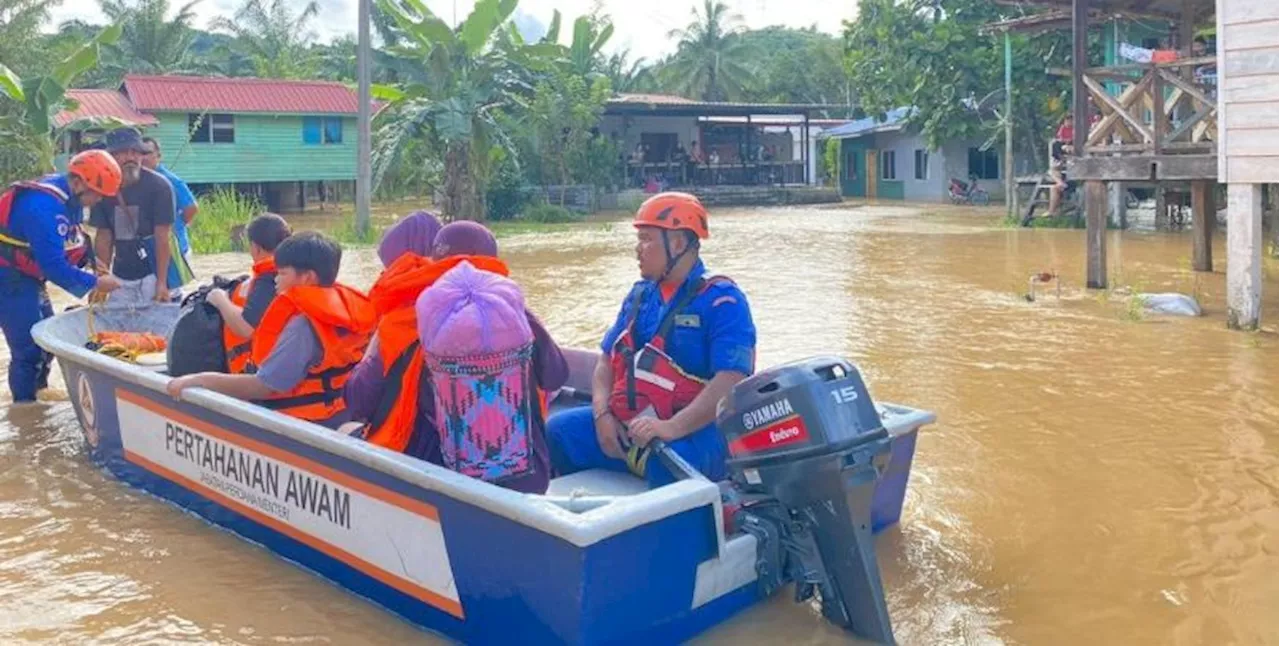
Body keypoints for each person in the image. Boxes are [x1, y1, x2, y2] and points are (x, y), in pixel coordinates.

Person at [546, 192, 756, 488]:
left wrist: (671, 428)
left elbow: (731, 379)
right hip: (636, 421)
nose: (638, 250)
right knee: (557, 431)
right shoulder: (640, 295)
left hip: (696, 430)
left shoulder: (723, 301)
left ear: (679, 244)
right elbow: (607, 359)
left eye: (647, 239)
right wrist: (602, 414)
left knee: (669, 462)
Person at [345, 222, 568, 492]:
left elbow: (359, 400)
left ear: (433, 260)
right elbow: (558, 375)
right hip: (527, 476)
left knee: (347, 429)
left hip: (436, 478)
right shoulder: (515, 313)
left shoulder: (400, 319)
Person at [167, 231, 376, 429]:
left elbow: (264, 386)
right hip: (341, 413)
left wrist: (199, 380)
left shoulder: (303, 327)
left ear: (307, 278)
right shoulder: (348, 313)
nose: (275, 279)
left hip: (306, 426)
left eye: (282, 273)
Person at [0, 151, 124, 402]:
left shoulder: (66, 196)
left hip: (26, 275)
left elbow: (71, 239)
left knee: (45, 343)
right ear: (78, 182)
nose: (98, 200)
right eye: (95, 193)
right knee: (27, 351)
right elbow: (54, 267)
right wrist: (96, 283)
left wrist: (94, 264)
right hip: (9, 278)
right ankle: (25, 412)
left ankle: (39, 398)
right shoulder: (43, 208)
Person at [91, 128, 177, 305]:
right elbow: (103, 238)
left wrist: (162, 282)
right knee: (113, 326)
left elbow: (163, 237)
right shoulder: (102, 188)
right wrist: (100, 279)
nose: (130, 157)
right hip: (121, 271)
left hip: (153, 271)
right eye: (123, 152)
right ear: (111, 157)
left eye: (135, 152)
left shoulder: (159, 187)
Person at [206, 213, 292, 374]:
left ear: (256, 247)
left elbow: (246, 328)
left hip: (261, 376)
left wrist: (220, 299)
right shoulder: (295, 271)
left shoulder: (269, 278)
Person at [140, 137, 198, 266]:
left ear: (158, 156)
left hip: (176, 249)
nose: (143, 158)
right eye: (140, 153)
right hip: (151, 251)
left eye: (147, 153)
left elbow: (192, 207)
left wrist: (178, 223)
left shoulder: (170, 181)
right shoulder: (137, 181)